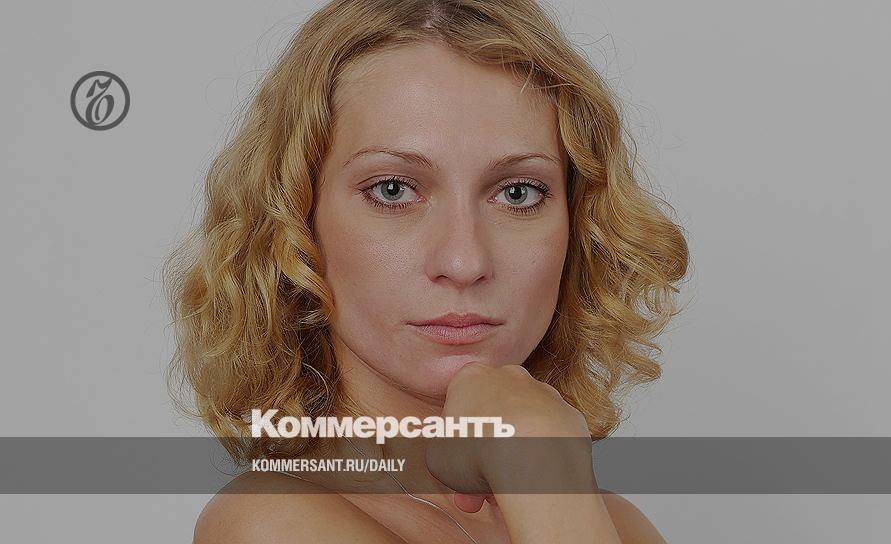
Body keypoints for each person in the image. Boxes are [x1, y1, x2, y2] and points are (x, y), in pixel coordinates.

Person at [163, 1, 688, 542]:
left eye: (518, 193)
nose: (464, 262)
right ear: (297, 221)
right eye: (393, 190)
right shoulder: (269, 523)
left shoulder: (614, 522)